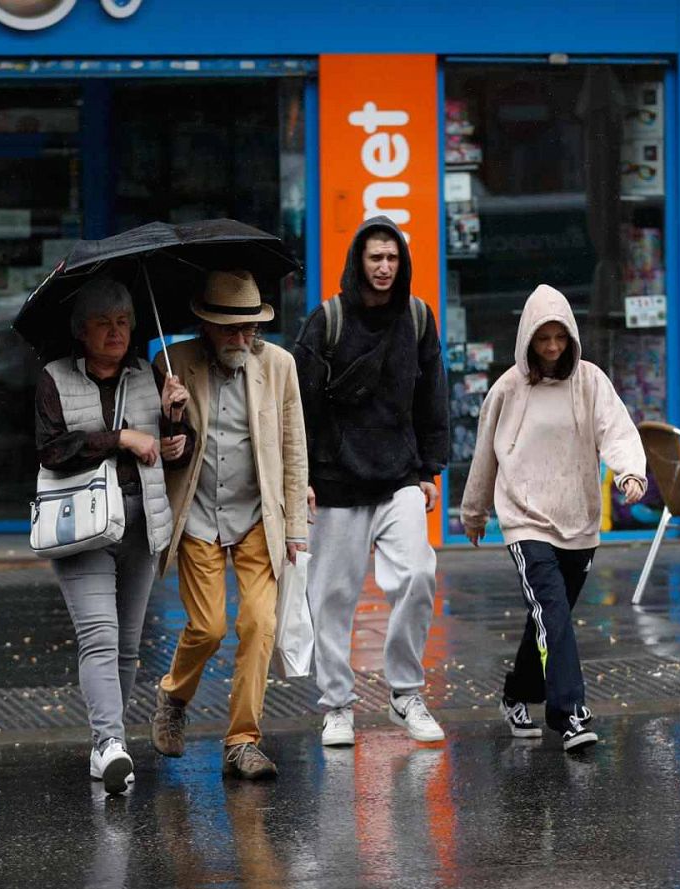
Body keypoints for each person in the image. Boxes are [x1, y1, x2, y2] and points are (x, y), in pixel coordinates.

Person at [459, 285, 647, 752]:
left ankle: (517, 694)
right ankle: (570, 713)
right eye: (542, 339)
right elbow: (485, 453)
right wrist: (475, 510)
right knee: (552, 611)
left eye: (559, 338)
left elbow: (616, 430)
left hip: (577, 518)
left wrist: (630, 473)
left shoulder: (589, 381)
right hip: (525, 519)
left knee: (548, 615)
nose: (551, 348)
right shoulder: (508, 388)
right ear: (527, 339)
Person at [292, 215, 449, 747]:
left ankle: (405, 693)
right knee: (331, 598)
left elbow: (433, 398)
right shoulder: (328, 320)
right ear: (358, 261)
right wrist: (304, 475)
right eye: (375, 257)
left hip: (399, 476)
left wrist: (429, 469)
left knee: (418, 576)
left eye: (392, 258)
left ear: (403, 263)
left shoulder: (419, 318)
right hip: (335, 481)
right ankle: (337, 705)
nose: (384, 267)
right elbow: (301, 404)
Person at [148, 270, 309, 780]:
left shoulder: (279, 366)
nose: (241, 339)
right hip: (197, 514)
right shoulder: (172, 365)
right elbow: (168, 455)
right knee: (208, 627)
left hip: (259, 516)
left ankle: (243, 740)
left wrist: (297, 529)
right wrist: (169, 421)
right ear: (205, 325)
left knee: (260, 625)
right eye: (229, 329)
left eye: (249, 329)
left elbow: (293, 449)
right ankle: (174, 696)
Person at [35, 278, 189, 795]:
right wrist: (121, 437)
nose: (116, 332)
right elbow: (53, 449)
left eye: (123, 322)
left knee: (127, 645)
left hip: (141, 520)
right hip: (82, 525)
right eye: (103, 323)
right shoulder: (54, 379)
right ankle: (109, 742)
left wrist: (172, 424)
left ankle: (109, 744)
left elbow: (174, 453)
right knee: (98, 635)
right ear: (81, 332)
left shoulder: (150, 374)